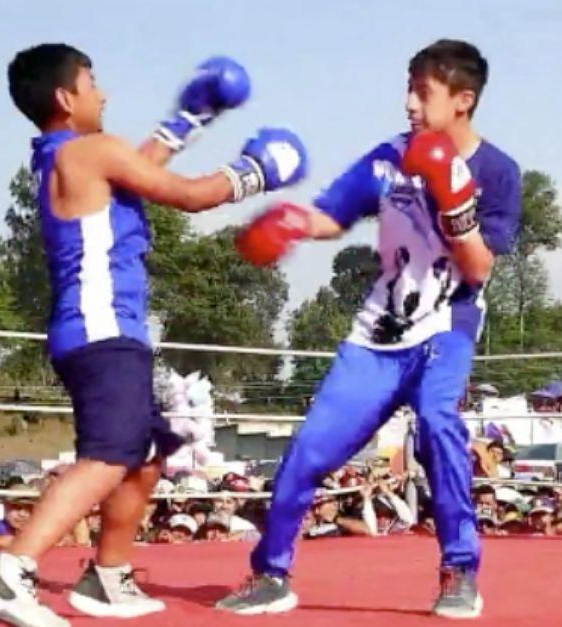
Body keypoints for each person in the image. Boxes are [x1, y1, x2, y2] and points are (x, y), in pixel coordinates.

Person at [0, 43, 307, 627]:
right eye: (93, 82)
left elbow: (137, 171)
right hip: (103, 330)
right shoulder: (90, 151)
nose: (105, 93)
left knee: (147, 452)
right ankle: (10, 569)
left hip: (99, 332)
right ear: (68, 98)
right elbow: (191, 196)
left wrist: (191, 118)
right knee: (109, 454)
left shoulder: (70, 155)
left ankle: (107, 576)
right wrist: (255, 174)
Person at [216, 39, 521, 620]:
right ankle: (271, 573)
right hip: (379, 329)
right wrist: (291, 223)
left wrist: (452, 196)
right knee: (307, 451)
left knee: (438, 424)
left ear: (463, 100)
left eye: (423, 92)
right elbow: (335, 215)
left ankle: (460, 572)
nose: (409, 103)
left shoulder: (498, 172)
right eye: (407, 88)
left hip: (448, 323)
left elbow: (480, 268)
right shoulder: (387, 157)